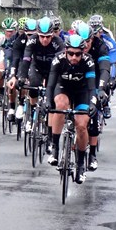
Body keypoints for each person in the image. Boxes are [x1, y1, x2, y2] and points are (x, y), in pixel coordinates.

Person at [46, 34, 97, 184]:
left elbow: (92, 87)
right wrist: (48, 103)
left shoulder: (88, 62)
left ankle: (80, 164)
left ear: (83, 52)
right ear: (65, 51)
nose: (74, 57)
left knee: (81, 125)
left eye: (78, 54)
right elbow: (50, 84)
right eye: (71, 53)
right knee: (60, 106)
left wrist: (93, 104)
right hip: (63, 88)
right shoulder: (58, 59)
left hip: (82, 92)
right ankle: (55, 147)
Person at [16, 17, 65, 148]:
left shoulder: (58, 42)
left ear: (52, 34)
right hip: (36, 68)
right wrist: (21, 77)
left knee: (51, 101)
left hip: (52, 71)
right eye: (42, 36)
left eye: (48, 37)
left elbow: (61, 64)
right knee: (33, 86)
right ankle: (33, 112)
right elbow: (26, 59)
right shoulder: (32, 40)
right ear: (37, 34)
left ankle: (49, 135)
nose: (44, 40)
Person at [76, 22, 110, 170]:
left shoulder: (101, 46)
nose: (86, 45)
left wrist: (101, 88)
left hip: (95, 78)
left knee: (93, 109)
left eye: (88, 41)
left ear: (93, 38)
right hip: (76, 79)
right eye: (83, 42)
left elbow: (104, 69)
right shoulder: (73, 47)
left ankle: (92, 155)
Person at [8, 18, 37, 125]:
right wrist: (12, 75)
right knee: (17, 81)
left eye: (34, 34)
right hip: (22, 63)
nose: (31, 37)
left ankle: (35, 111)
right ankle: (18, 105)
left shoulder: (41, 40)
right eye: (29, 34)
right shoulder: (19, 41)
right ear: (24, 32)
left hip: (36, 63)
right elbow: (15, 59)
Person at [88, 15, 116, 119]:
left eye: (97, 32)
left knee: (106, 77)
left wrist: (113, 77)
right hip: (91, 63)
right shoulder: (86, 39)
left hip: (105, 58)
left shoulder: (108, 38)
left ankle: (106, 105)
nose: (95, 35)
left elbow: (113, 61)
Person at [0, 17, 19, 119]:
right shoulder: (0, 38)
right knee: (0, 68)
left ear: (15, 30)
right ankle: (1, 91)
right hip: (4, 57)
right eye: (7, 31)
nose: (9, 34)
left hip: (16, 58)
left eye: (11, 31)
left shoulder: (18, 38)